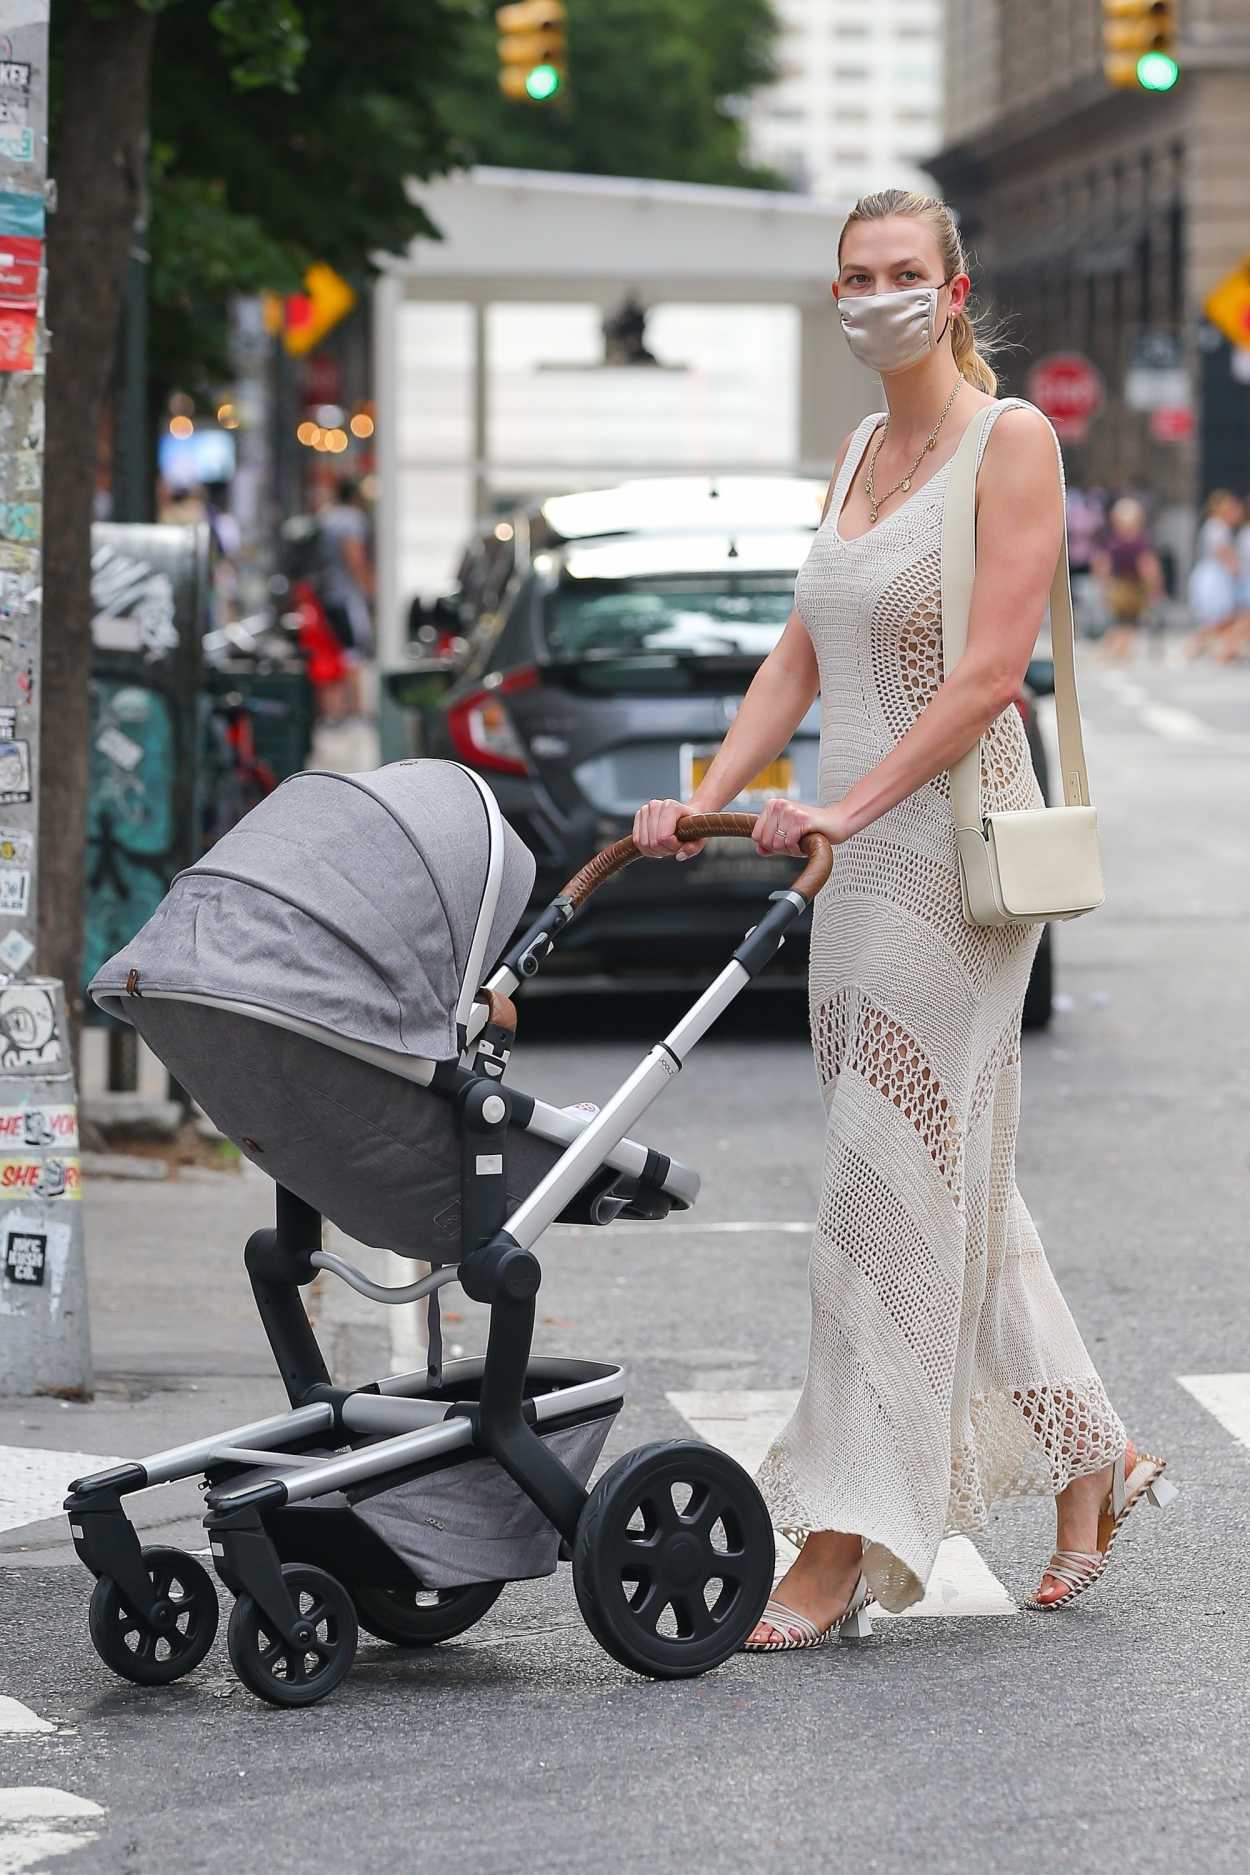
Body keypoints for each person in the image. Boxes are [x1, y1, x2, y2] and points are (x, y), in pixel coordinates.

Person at [632, 187, 1174, 1648]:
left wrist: (846, 810)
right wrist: (706, 795)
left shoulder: (1014, 444)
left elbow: (987, 673)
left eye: (900, 274)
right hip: (856, 843)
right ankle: (1093, 1455)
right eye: (851, 274)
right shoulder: (862, 449)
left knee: (880, 1180)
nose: (873, 293)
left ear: (951, 292)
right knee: (953, 1169)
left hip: (950, 851)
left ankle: (845, 1531)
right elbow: (801, 654)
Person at [314, 478, 375, 720]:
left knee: (332, 651)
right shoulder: (351, 519)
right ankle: (355, 710)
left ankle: (333, 711)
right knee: (353, 653)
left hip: (326, 595)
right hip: (346, 595)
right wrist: (369, 587)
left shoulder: (325, 517)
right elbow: (354, 556)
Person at [1091, 496, 1163, 666]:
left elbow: (1101, 564)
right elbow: (1148, 567)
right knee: (1128, 624)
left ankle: (1113, 652)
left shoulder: (1112, 543)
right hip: (1132, 587)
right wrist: (1154, 587)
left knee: (1121, 623)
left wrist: (1103, 586)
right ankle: (1118, 653)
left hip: (1117, 586)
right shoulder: (1138, 544)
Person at [1183, 490, 1246, 662]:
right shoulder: (1217, 527)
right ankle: (1196, 647)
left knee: (1223, 619)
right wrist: (1239, 572)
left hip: (1216, 576)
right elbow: (1224, 554)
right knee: (1221, 618)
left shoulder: (1217, 526)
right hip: (1214, 578)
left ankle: (1204, 648)